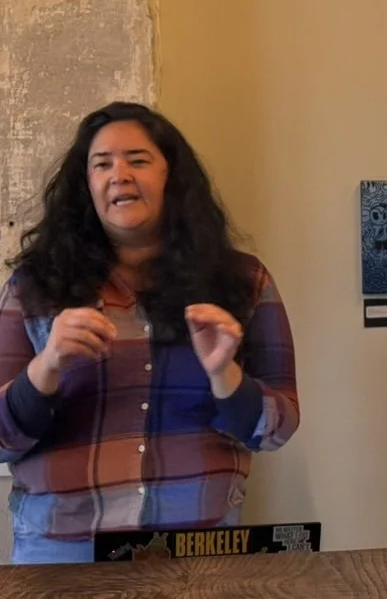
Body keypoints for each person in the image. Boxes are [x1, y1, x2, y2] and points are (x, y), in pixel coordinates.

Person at [0, 101, 300, 564]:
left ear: (171, 177)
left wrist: (224, 375)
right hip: (62, 554)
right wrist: (46, 367)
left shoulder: (242, 282)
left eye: (137, 160)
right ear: (86, 186)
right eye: (102, 164)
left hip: (199, 553)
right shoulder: (33, 288)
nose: (119, 175)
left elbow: (277, 430)